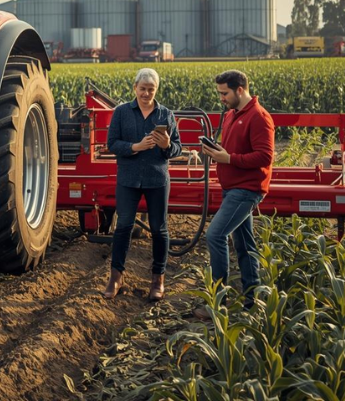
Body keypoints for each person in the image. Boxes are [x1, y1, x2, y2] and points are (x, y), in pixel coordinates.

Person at [196, 70, 274, 317]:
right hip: (232, 188)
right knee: (244, 244)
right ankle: (253, 300)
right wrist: (216, 151)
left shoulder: (259, 117)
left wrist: (227, 157)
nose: (221, 98)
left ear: (239, 90)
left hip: (247, 189)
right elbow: (233, 150)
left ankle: (218, 303)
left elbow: (265, 156)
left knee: (215, 235)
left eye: (224, 93)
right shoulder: (232, 115)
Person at [104, 68, 182, 301]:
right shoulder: (121, 112)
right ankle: (115, 277)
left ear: (156, 90)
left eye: (151, 89)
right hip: (128, 178)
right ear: (135, 88)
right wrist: (135, 147)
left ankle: (158, 279)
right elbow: (111, 143)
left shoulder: (165, 114)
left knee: (159, 229)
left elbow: (177, 148)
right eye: (143, 89)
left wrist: (167, 144)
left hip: (157, 179)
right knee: (124, 226)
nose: (146, 93)